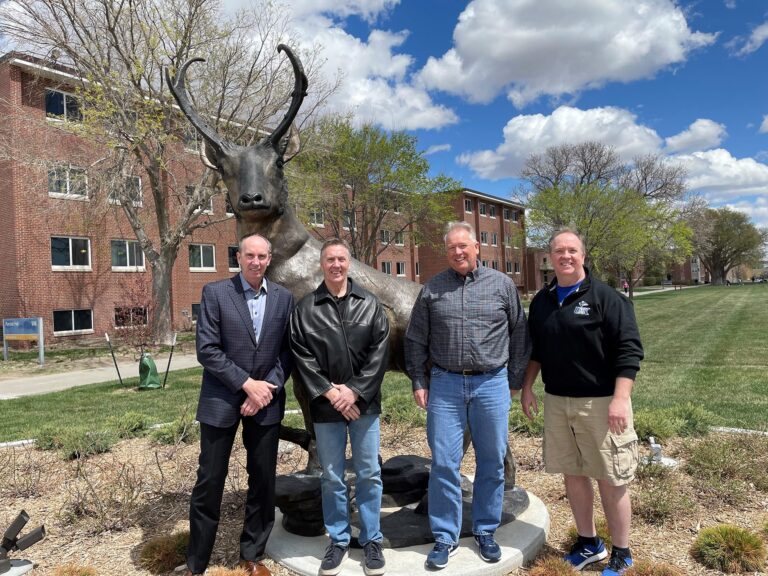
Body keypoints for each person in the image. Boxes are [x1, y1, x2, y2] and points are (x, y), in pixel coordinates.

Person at [405, 221, 530, 570]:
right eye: (451, 248)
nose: (458, 252)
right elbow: (415, 339)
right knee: (444, 462)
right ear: (446, 252)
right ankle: (445, 537)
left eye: (464, 246)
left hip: (491, 383)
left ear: (477, 247)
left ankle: (485, 530)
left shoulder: (502, 286)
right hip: (444, 384)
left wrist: (515, 380)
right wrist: (419, 380)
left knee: (491, 460)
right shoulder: (432, 289)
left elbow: (520, 333)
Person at [520, 229, 644, 576]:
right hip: (558, 401)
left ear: (583, 255)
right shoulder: (543, 302)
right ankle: (589, 543)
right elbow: (537, 352)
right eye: (559, 251)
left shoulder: (608, 298)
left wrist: (621, 399)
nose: (566, 256)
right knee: (573, 474)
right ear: (551, 258)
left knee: (610, 477)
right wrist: (528, 387)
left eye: (572, 250)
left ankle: (622, 551)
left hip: (602, 403)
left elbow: (629, 351)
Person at [185, 233, 294, 576]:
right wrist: (247, 385)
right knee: (210, 480)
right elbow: (208, 350)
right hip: (222, 399)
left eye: (262, 256)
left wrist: (266, 390)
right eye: (250, 255)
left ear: (269, 259)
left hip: (266, 401)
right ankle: (197, 562)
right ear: (238, 256)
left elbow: (288, 351)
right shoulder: (216, 293)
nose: (256, 262)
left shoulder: (283, 298)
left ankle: (253, 554)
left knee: (263, 480)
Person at [290, 238, 390, 576]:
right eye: (330, 259)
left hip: (364, 406)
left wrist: (356, 392)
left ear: (349, 263)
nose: (336, 265)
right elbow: (302, 357)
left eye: (341, 259)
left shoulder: (370, 304)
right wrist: (332, 394)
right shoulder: (305, 308)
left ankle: (372, 539)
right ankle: (338, 540)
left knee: (369, 474)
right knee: (331, 477)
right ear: (322, 264)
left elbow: (380, 354)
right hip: (326, 407)